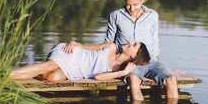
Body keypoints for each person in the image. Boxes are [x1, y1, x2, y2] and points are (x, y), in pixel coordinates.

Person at [104, 0, 178, 101]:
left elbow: (155, 38)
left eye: (135, 4)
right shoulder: (116, 15)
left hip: (151, 60)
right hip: (131, 62)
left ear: (142, 0)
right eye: (128, 4)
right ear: (124, 0)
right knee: (134, 81)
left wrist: (156, 57)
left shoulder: (152, 15)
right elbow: (109, 42)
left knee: (172, 80)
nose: (132, 8)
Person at [10, 41, 150, 82]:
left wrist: (123, 72)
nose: (130, 42)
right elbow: (83, 47)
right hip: (72, 54)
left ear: (133, 56)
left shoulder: (117, 69)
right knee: (50, 66)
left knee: (53, 77)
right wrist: (73, 42)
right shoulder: (111, 46)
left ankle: (27, 73)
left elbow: (98, 77)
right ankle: (6, 76)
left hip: (75, 71)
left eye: (134, 45)